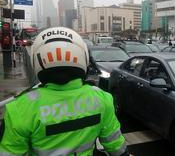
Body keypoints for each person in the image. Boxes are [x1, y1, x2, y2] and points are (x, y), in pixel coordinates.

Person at [0, 27, 129, 156]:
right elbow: (116, 145)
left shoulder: (19, 108)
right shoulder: (102, 98)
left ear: (36, 59)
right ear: (82, 57)